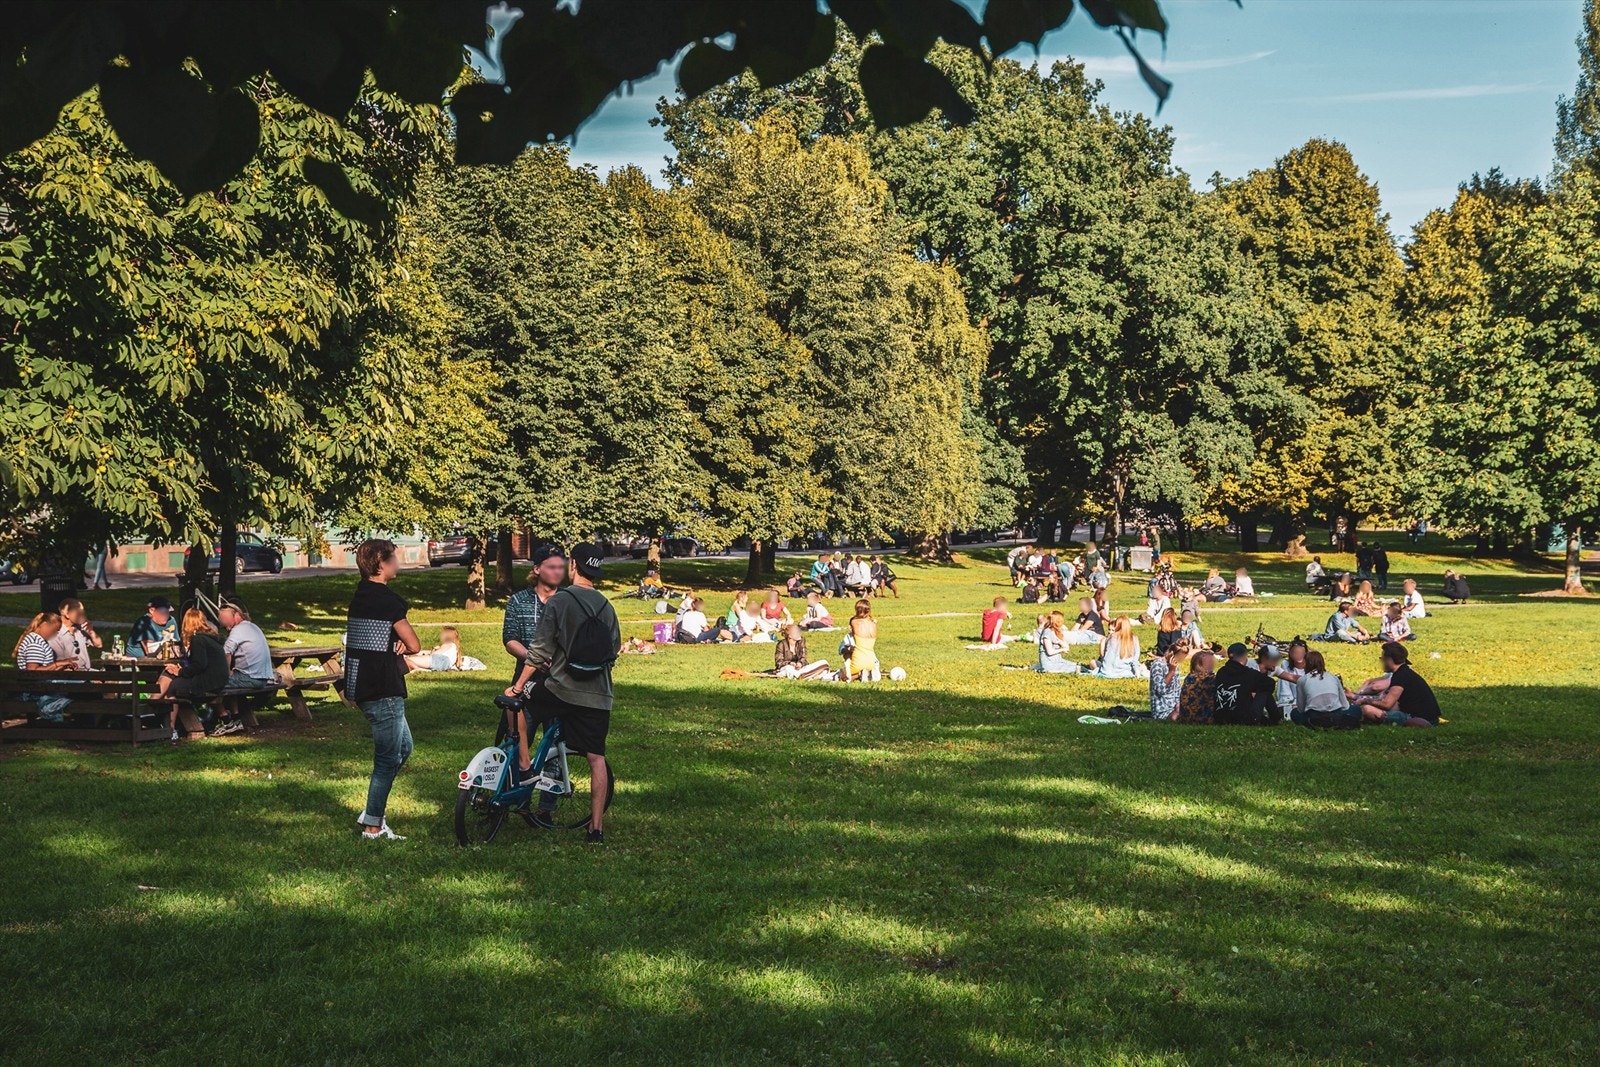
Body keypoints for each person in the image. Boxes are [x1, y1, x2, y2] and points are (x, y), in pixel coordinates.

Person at [506, 542, 619, 843]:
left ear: (573, 565)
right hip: (599, 695)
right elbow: (614, 650)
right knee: (597, 758)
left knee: (515, 701)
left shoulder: (560, 601)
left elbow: (539, 649)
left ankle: (525, 765)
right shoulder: (607, 607)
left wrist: (518, 686)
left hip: (560, 690)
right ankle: (595, 829)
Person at [345, 538, 421, 841]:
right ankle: (373, 825)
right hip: (384, 689)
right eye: (394, 559)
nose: (397, 563)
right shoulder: (389, 601)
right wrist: (400, 642)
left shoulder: (359, 596)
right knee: (387, 759)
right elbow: (414, 644)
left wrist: (391, 642)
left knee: (405, 748)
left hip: (361, 685)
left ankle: (371, 811)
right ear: (381, 563)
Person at [154, 608, 231, 740]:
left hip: (209, 682)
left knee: (173, 687)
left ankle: (168, 726)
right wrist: (180, 670)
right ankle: (155, 709)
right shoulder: (211, 637)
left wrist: (180, 671)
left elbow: (199, 665)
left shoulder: (198, 639)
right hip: (219, 679)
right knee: (174, 679)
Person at [504, 545, 568, 683]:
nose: (557, 572)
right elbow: (510, 640)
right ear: (537, 569)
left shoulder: (568, 600)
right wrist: (533, 659)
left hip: (562, 678)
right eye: (551, 567)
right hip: (526, 677)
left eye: (561, 567)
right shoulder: (518, 600)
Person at [1354, 642, 1441, 728]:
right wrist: (1357, 697)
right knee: (1391, 705)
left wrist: (1365, 701)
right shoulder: (1405, 672)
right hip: (1430, 717)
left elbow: (1386, 704)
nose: (1382, 662)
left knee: (1367, 709)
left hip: (1420, 718)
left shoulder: (1400, 676)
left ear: (1390, 660)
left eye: (1382, 659)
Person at [14, 612, 76, 722]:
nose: (54, 634)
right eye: (54, 631)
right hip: (37, 690)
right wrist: (57, 664)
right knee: (86, 691)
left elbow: (45, 669)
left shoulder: (40, 641)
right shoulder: (35, 643)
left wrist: (63, 666)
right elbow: (33, 671)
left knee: (85, 688)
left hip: (40, 687)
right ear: (44, 625)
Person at [217, 596, 278, 690]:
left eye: (225, 618)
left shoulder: (238, 630)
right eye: (221, 619)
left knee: (211, 682)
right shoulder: (253, 627)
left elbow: (226, 653)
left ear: (236, 615)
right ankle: (238, 705)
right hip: (264, 677)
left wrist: (227, 672)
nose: (223, 623)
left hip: (250, 677)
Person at [1291, 649, 1360, 728]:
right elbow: (1345, 705)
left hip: (1314, 714)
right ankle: (1337, 721)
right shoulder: (1333, 677)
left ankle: (1315, 723)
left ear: (1305, 664)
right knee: (1356, 709)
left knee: (1294, 713)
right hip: (1336, 712)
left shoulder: (1302, 680)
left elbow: (1301, 709)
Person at [1213, 642, 1273, 726]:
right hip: (1244, 719)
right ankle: (1276, 719)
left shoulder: (1221, 672)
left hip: (1221, 717)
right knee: (1264, 691)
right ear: (1244, 656)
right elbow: (1270, 683)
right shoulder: (1248, 673)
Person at [49, 598, 101, 670]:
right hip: (70, 674)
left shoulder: (80, 628)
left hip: (86, 670)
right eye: (79, 611)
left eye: (83, 611)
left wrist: (91, 632)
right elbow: (62, 664)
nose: (83, 614)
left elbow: (99, 645)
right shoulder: (55, 634)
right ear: (67, 614)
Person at [1171, 649, 1217, 724]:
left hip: (1185, 719)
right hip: (1203, 720)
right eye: (1211, 662)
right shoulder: (1209, 679)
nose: (1213, 664)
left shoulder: (1189, 678)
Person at [1269, 639, 1308, 724]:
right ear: (1290, 654)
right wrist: (1291, 702)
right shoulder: (1285, 664)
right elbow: (1284, 689)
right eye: (1295, 653)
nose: (1299, 655)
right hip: (1291, 701)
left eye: (1301, 653)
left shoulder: (1311, 664)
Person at [1148, 645, 1192, 720]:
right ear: (1172, 653)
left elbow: (1177, 689)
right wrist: (1171, 671)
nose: (1179, 661)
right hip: (1162, 709)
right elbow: (1160, 690)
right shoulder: (1157, 665)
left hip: (1175, 707)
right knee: (1176, 717)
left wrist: (1178, 704)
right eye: (1179, 658)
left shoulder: (1175, 666)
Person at [842, 599, 880, 682]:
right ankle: (867, 672)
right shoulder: (873, 624)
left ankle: (858, 674)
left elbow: (851, 632)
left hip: (858, 660)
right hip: (871, 661)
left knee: (843, 677)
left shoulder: (854, 621)